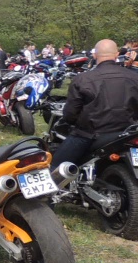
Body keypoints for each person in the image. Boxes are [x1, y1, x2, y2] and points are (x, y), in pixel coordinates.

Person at [51, 39, 138, 168]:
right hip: (128, 132)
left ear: (95, 55)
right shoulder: (134, 77)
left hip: (91, 135)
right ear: (117, 54)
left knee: (57, 166)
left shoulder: (82, 79)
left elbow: (70, 115)